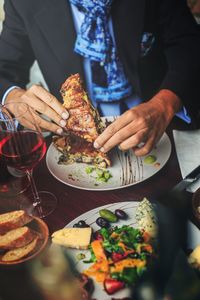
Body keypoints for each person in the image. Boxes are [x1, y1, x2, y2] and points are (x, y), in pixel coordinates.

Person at [0, 0, 200, 156]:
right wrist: (11, 96)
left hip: (163, 134)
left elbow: (189, 44)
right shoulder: (22, 2)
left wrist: (164, 104)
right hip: (78, 147)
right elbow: (4, 69)